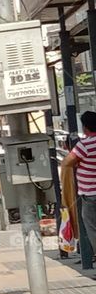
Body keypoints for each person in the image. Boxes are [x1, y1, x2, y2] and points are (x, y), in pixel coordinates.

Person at [62, 110, 96, 264]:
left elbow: (67, 162)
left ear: (85, 127)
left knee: (92, 228)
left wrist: (79, 162)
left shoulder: (85, 145)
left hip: (90, 195)